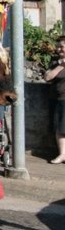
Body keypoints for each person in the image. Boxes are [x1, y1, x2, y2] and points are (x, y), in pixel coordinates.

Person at [44, 35, 65, 164]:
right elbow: (47, 77)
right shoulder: (55, 62)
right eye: (58, 46)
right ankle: (62, 154)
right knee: (59, 128)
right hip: (58, 99)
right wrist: (61, 65)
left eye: (62, 46)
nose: (59, 49)